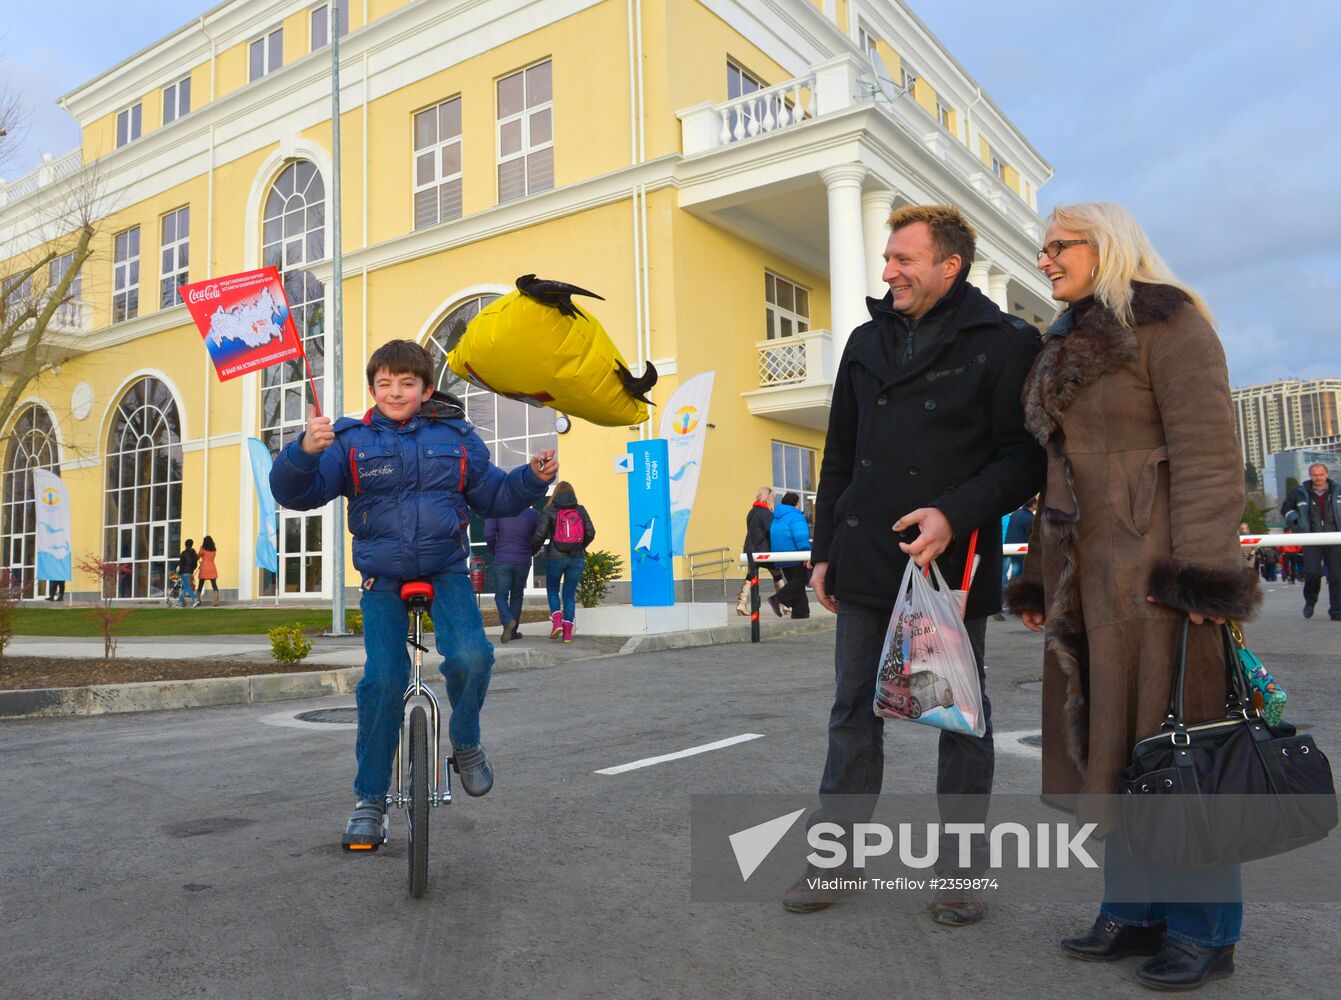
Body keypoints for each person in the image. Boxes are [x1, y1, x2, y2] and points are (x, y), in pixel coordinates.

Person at [1004, 203, 1261, 991]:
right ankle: (1134, 908)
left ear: (1105, 245)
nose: (1044, 259)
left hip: (1157, 582)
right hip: (1087, 586)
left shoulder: (1170, 323)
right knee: (1112, 751)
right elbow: (1057, 477)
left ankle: (1201, 929)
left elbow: (1210, 456)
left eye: (1059, 246)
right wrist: (1044, 581)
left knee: (1181, 755)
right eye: (1041, 248)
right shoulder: (1062, 342)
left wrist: (1200, 578)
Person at [786, 204, 1045, 924]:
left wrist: (952, 514)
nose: (888, 271)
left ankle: (959, 875)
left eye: (903, 259)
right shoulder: (866, 341)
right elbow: (838, 455)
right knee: (850, 712)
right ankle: (834, 860)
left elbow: (1021, 458)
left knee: (957, 716)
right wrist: (822, 553)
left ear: (948, 265)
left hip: (946, 561)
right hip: (867, 553)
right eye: (888, 258)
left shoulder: (1002, 342)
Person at [270, 339, 554, 848]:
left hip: (446, 568)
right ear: (373, 389)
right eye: (384, 384)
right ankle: (369, 800)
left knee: (472, 656)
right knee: (382, 681)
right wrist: (302, 453)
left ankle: (465, 742)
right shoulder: (350, 442)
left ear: (425, 389)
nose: (395, 392)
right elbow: (296, 494)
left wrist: (531, 480)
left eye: (406, 383)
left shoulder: (457, 437)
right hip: (383, 577)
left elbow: (493, 496)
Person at [531, 481, 595, 643]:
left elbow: (539, 535)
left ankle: (557, 620)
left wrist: (533, 549)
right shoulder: (580, 510)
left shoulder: (549, 510)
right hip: (577, 557)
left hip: (556, 557)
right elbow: (591, 532)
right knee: (569, 594)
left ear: (555, 494)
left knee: (552, 589)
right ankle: (567, 634)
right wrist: (580, 546)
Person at [1282, 463, 1341, 619]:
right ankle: (1310, 601)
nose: (1318, 478)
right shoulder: (1299, 492)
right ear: (1310, 475)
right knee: (1313, 574)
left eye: (1321, 474)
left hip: (1335, 538)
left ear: (1327, 474)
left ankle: (1337, 610)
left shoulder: (1338, 490)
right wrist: (1296, 522)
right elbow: (1286, 508)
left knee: (1337, 576)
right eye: (1314, 475)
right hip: (1311, 538)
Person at [484, 506, 542, 643]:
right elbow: (539, 536)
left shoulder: (497, 511)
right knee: (517, 596)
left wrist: (495, 550)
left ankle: (508, 621)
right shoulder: (533, 514)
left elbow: (488, 534)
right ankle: (513, 631)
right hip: (523, 560)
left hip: (502, 559)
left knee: (500, 596)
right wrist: (532, 551)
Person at [765, 492, 811, 619]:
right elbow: (800, 536)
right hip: (794, 554)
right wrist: (806, 553)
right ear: (796, 503)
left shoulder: (777, 517)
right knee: (802, 580)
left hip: (780, 556)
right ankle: (777, 599)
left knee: (795, 582)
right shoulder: (795, 516)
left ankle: (800, 612)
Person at [738, 487, 783, 616]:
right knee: (777, 573)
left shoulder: (751, 511)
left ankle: (742, 603)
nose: (773, 500)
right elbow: (771, 532)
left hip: (750, 548)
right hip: (762, 550)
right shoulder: (766, 513)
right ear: (768, 497)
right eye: (772, 498)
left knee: (751, 574)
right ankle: (786, 603)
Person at [175, 540, 200, 608]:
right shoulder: (194, 554)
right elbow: (195, 564)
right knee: (183, 588)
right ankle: (180, 602)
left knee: (187, 587)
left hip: (184, 573)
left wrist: (179, 573)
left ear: (185, 545)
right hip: (190, 572)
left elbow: (181, 564)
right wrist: (192, 570)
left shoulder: (183, 553)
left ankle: (195, 600)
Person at [196, 535, 220, 606]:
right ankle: (216, 601)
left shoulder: (202, 548)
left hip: (204, 568)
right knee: (214, 585)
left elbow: (198, 556)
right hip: (212, 567)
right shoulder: (214, 549)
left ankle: (198, 601)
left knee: (200, 585)